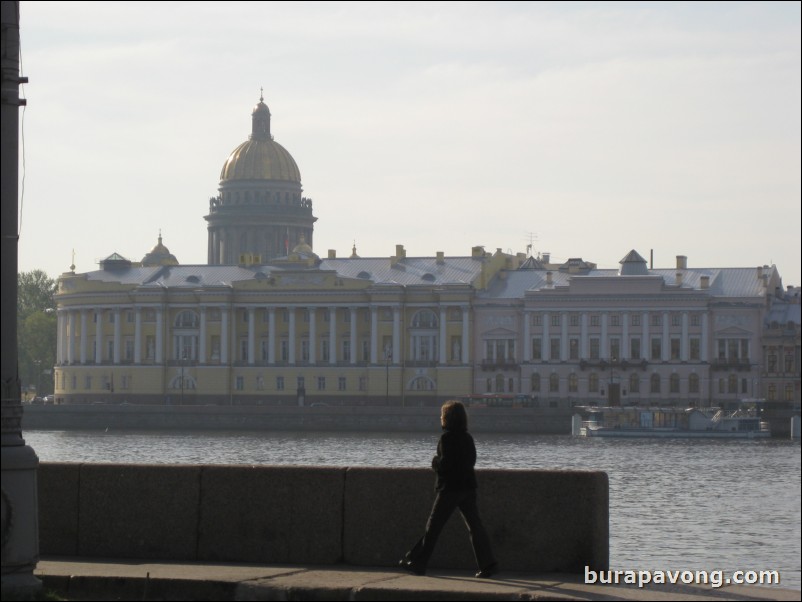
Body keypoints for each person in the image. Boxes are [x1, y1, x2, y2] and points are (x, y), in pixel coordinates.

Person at [399, 400, 498, 578]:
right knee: (475, 527)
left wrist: (435, 462)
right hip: (468, 487)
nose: (440, 417)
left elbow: (445, 464)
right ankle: (488, 564)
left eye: (442, 415)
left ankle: (418, 563)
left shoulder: (446, 438)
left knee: (433, 526)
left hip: (450, 489)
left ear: (447, 418)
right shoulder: (468, 438)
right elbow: (471, 461)